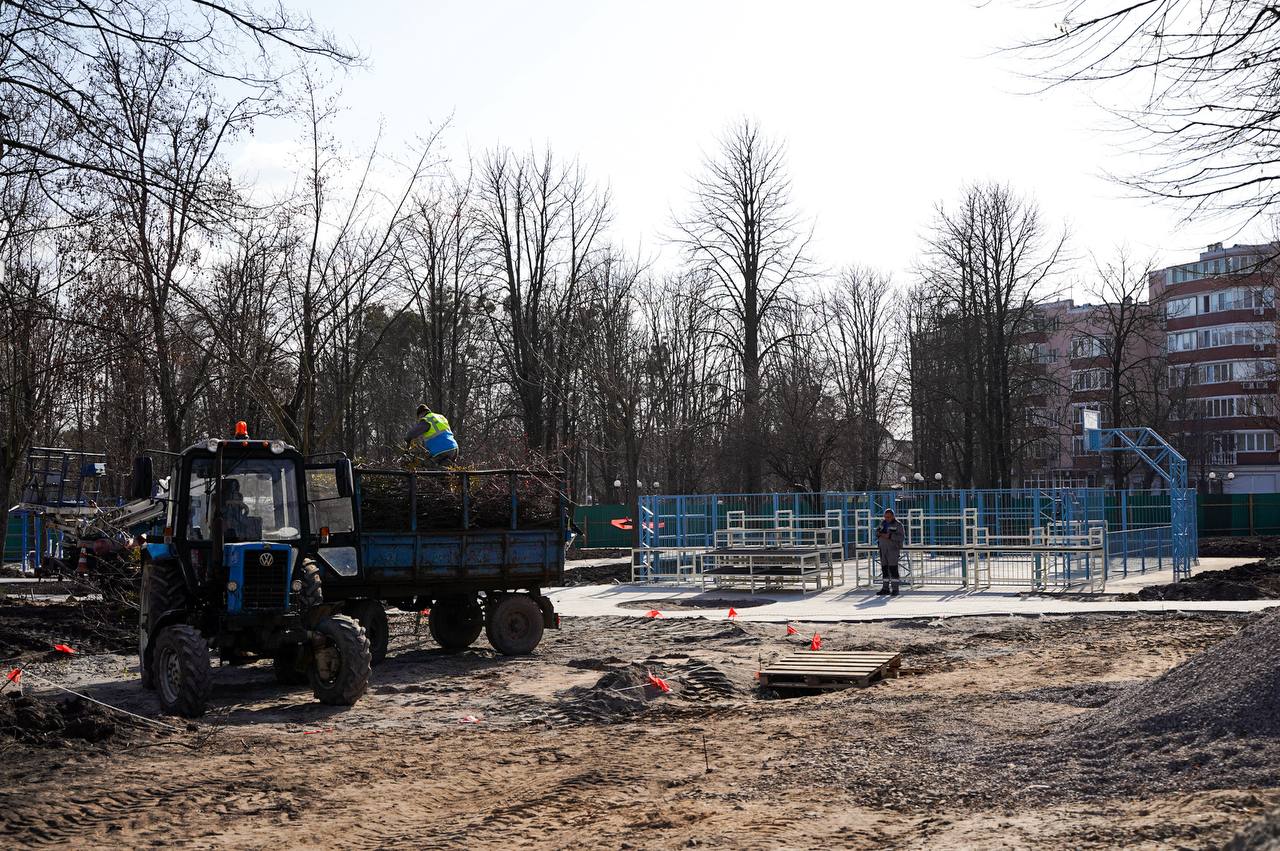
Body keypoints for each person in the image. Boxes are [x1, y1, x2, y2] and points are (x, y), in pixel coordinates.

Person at [875, 507, 904, 596]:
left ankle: (895, 589)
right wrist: (880, 534)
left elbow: (901, 537)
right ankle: (885, 588)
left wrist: (890, 536)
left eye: (888, 517)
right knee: (884, 569)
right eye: (885, 517)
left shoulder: (898, 525)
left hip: (893, 550)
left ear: (893, 516)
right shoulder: (882, 523)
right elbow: (877, 532)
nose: (886, 519)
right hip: (883, 549)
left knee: (893, 569)